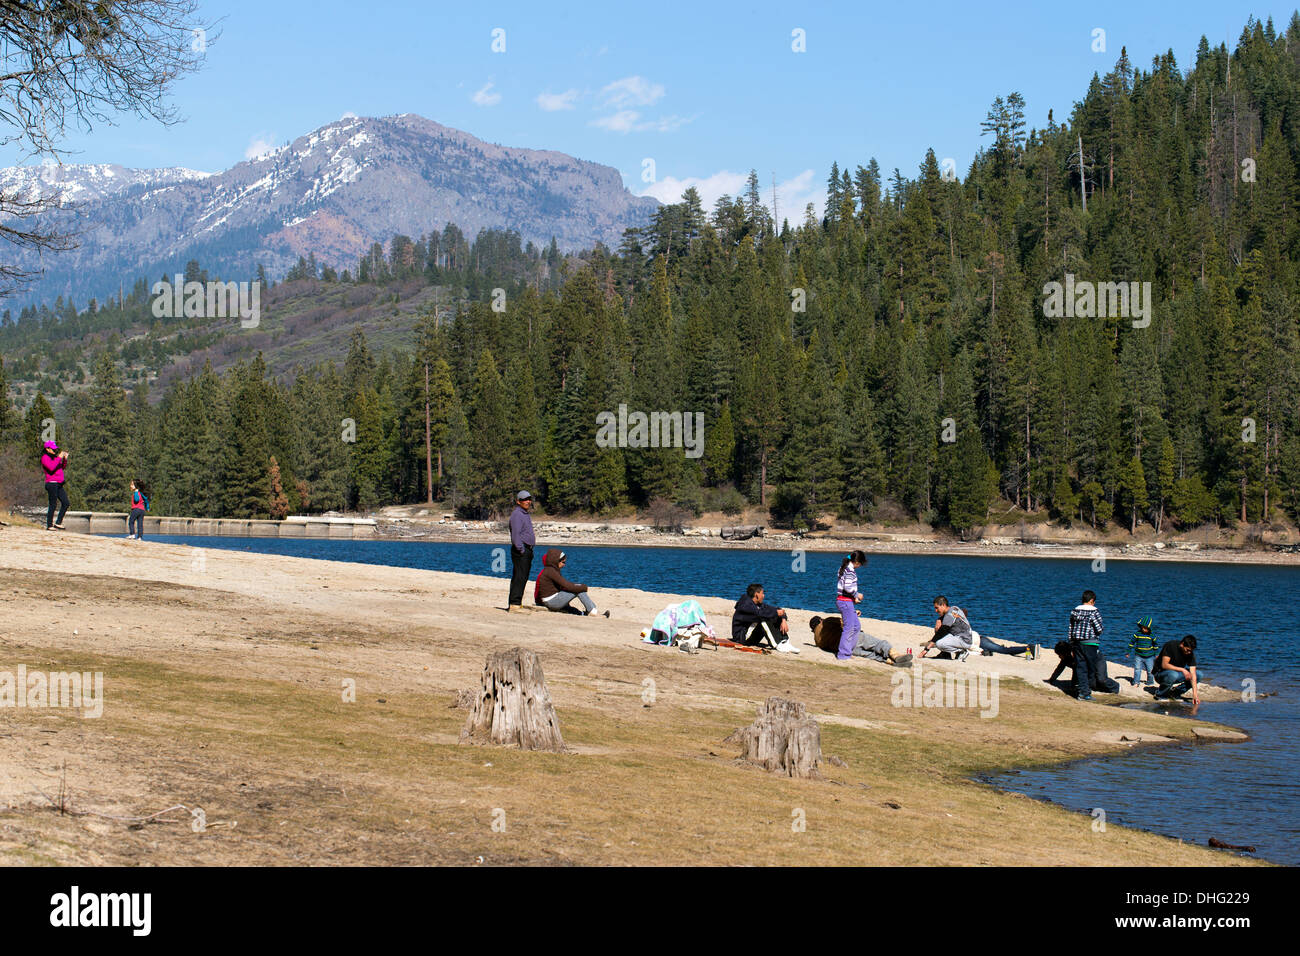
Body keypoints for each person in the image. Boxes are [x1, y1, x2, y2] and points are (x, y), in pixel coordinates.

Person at [809, 616, 912, 667]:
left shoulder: (817, 641)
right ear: (820, 620)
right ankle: (895, 655)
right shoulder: (826, 623)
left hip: (847, 649)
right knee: (878, 644)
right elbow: (843, 621)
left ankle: (890, 662)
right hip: (852, 638)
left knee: (871, 655)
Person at [533, 549, 609, 617]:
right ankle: (593, 611)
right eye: (563, 562)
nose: (564, 564)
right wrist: (584, 587)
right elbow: (567, 585)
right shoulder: (550, 571)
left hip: (551, 599)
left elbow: (562, 586)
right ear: (556, 561)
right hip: (551, 602)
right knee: (578, 589)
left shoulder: (551, 570)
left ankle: (589, 612)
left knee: (573, 605)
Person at [732, 584, 797, 653]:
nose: (764, 596)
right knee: (764, 618)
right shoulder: (745, 604)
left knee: (773, 614)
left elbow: (777, 610)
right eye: (762, 593)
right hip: (741, 637)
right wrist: (776, 613)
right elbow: (759, 614)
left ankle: (785, 641)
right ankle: (778, 644)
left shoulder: (758, 604)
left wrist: (783, 620)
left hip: (751, 635)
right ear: (757, 594)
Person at [1068, 590, 1104, 701]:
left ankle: (1082, 692)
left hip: (1077, 643)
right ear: (1092, 601)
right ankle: (1087, 691)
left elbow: (1071, 629)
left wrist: (1071, 643)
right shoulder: (1094, 612)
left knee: (1081, 667)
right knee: (1090, 668)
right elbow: (1099, 629)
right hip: (1090, 643)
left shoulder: (1074, 611)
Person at [1047, 641, 1120, 694]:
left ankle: (1115, 687)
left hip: (1097, 658)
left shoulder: (1078, 652)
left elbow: (1080, 669)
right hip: (1086, 665)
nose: (1059, 657)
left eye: (1060, 655)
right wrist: (1052, 679)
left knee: (1101, 679)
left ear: (1065, 653)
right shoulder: (1066, 659)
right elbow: (1060, 669)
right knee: (1090, 685)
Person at [833, 550, 867, 660]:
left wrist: (853, 598)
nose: (860, 566)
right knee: (849, 628)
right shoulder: (850, 571)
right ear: (857, 562)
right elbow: (847, 587)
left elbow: (843, 587)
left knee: (856, 626)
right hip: (845, 602)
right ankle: (843, 654)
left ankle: (848, 651)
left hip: (845, 600)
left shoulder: (844, 568)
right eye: (861, 563)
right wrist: (857, 595)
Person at [919, 596, 974, 661]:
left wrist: (926, 649)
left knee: (939, 643)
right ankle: (945, 654)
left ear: (943, 605)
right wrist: (939, 619)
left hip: (964, 640)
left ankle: (961, 651)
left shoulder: (949, 615)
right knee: (939, 632)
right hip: (961, 636)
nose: (936, 611)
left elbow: (941, 632)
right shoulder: (954, 608)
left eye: (937, 608)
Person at [506, 490, 535, 612]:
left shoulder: (525, 514)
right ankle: (514, 603)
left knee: (523, 576)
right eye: (524, 499)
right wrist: (521, 549)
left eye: (529, 499)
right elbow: (515, 535)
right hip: (521, 550)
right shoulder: (517, 514)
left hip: (527, 549)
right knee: (519, 576)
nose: (527, 501)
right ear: (518, 501)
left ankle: (517, 602)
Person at [1153, 634, 1200, 702]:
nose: (1189, 652)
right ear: (1182, 644)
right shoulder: (1171, 645)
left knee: (1198, 674)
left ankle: (1175, 693)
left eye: (1191, 651)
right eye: (1187, 650)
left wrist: (1195, 695)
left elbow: (1193, 674)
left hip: (1176, 674)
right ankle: (1160, 694)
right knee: (1173, 674)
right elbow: (1164, 665)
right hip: (1160, 673)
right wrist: (1183, 669)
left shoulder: (1190, 653)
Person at [40, 440, 70, 530]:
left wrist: (64, 459)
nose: (54, 451)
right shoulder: (45, 458)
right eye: (53, 449)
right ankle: (49, 525)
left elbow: (61, 467)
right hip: (51, 483)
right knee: (53, 504)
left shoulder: (55, 458)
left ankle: (58, 523)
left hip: (59, 484)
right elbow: (51, 468)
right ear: (47, 449)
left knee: (66, 503)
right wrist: (59, 458)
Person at [1127, 615, 1159, 687]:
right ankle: (1136, 682)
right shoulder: (1137, 634)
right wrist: (1128, 651)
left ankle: (1150, 682)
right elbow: (1131, 643)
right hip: (1138, 655)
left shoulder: (1152, 636)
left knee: (1150, 670)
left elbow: (1155, 645)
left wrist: (1157, 654)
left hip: (1149, 656)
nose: (1144, 629)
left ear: (1149, 628)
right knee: (1137, 669)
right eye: (1143, 628)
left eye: (1146, 628)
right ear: (1141, 626)